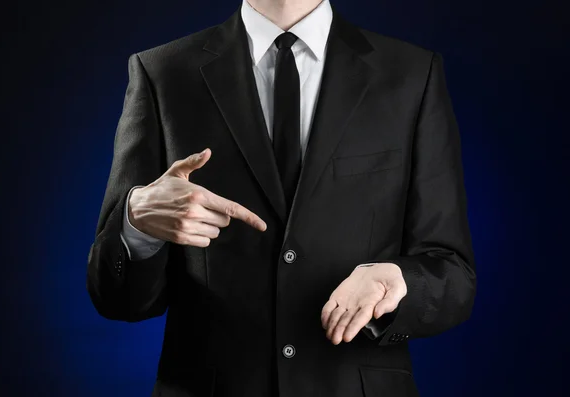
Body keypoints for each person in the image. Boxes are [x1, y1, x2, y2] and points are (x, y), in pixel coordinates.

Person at [86, 0, 477, 396]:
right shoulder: (162, 73)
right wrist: (136, 225)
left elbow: (454, 273)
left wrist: (396, 281)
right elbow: (116, 300)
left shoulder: (411, 74)